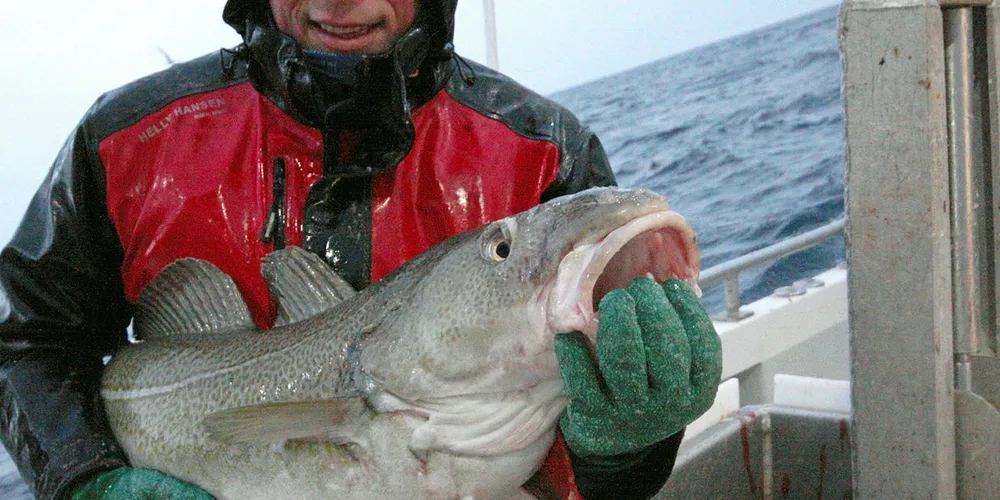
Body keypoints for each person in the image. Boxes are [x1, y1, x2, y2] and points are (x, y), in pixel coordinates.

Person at [0, 0, 722, 499]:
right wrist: (86, 477)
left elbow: (607, 476)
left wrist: (630, 445)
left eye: (501, 249)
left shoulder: (545, 153)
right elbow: (25, 340)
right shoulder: (126, 139)